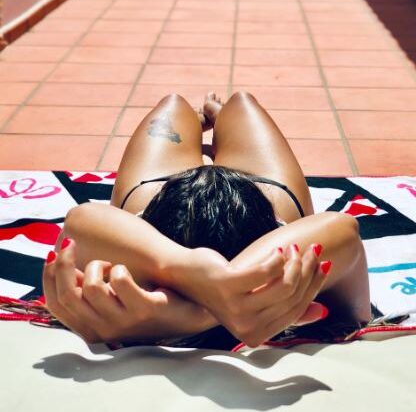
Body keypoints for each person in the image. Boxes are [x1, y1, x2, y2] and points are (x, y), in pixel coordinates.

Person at [42, 91, 371, 349]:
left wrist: (191, 295)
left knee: (174, 105)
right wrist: (226, 292)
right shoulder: (285, 253)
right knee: (241, 103)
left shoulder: (133, 252)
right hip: (264, 195)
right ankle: (218, 116)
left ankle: (201, 120)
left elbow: (81, 219)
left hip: (158, 196)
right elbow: (342, 227)